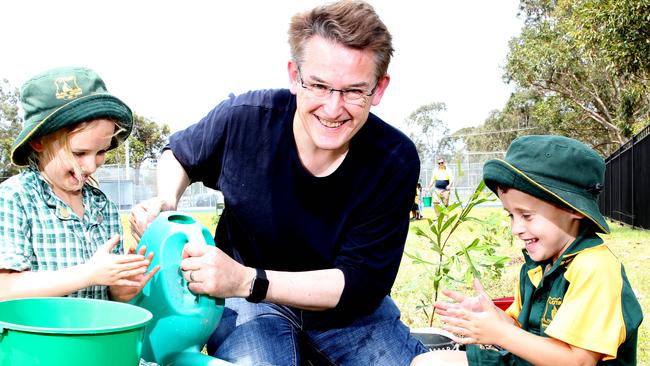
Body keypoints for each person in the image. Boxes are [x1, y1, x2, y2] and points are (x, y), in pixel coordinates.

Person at [129, 1, 427, 364]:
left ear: (379, 89)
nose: (333, 109)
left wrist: (245, 279)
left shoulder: (393, 159)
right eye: (318, 85)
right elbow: (178, 154)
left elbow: (359, 283)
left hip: (346, 311)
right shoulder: (245, 120)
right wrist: (167, 200)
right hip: (246, 304)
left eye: (353, 91)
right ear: (293, 75)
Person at [411, 135, 643, 366]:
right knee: (428, 361)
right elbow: (522, 332)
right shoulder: (537, 267)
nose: (516, 228)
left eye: (527, 215)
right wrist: (492, 317)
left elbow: (578, 361)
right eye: (511, 215)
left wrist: (499, 333)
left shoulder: (595, 267)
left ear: (575, 210)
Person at [0, 66, 158, 302]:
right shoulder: (16, 197)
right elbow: (5, 289)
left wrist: (123, 287)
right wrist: (88, 274)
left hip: (96, 338)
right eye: (80, 152)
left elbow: (110, 300)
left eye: (101, 152)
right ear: (39, 143)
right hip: (39, 339)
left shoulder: (102, 207)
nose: (91, 166)